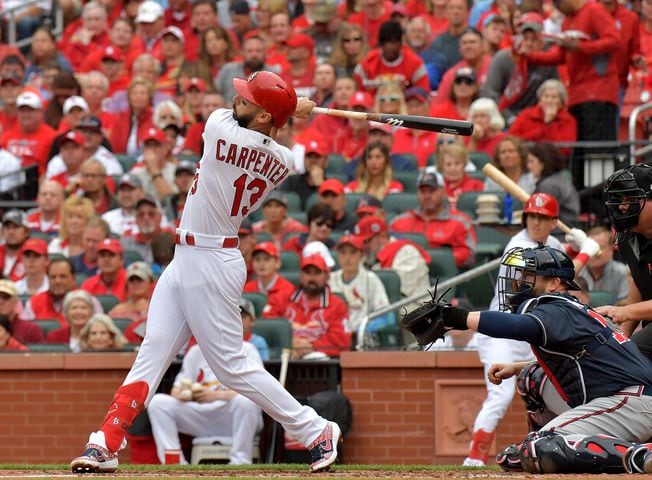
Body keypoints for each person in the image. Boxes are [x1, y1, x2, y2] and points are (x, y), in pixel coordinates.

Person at [70, 71, 342, 474]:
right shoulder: (282, 160)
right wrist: (288, 114)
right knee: (153, 351)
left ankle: (314, 428)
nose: (239, 100)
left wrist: (290, 109)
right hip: (189, 256)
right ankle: (106, 440)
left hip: (212, 260)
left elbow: (227, 116)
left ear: (265, 115)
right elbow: (268, 135)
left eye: (249, 99)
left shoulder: (222, 131)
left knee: (231, 366)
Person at [438, 244, 652, 474]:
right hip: (621, 397)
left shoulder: (556, 307)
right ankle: (547, 446)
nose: (520, 283)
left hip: (633, 402)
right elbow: (579, 362)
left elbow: (520, 327)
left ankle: (641, 456)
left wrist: (460, 318)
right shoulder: (566, 308)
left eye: (530, 276)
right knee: (531, 380)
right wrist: (518, 367)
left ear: (554, 283)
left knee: (539, 447)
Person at [463, 193, 600, 466]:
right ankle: (474, 459)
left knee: (551, 386)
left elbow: (561, 269)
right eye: (532, 217)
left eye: (542, 218)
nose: (535, 223)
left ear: (553, 222)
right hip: (503, 329)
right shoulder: (518, 246)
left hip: (533, 330)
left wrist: (574, 246)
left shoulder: (553, 243)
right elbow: (555, 279)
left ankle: (551, 446)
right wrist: (585, 251)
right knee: (500, 395)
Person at [147, 331, 264, 464]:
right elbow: (176, 390)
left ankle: (241, 460)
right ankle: (174, 462)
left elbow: (257, 390)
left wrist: (216, 395)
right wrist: (189, 394)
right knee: (158, 403)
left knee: (246, 401)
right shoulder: (195, 352)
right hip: (203, 416)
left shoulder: (247, 349)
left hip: (234, 416)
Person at [598, 164, 652, 359]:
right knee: (616, 350)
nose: (622, 206)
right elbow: (639, 281)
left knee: (636, 352)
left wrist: (626, 311)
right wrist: (624, 333)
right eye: (621, 199)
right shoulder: (628, 237)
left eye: (631, 199)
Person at [267, 254, 352, 359]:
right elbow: (267, 328)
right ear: (301, 275)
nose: (312, 278)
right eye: (307, 273)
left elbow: (342, 341)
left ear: (327, 276)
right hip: (284, 356)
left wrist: (312, 346)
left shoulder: (337, 305)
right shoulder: (282, 298)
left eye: (317, 273)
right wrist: (288, 343)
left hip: (320, 363)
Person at [391, 171, 477, 269]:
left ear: (444, 192)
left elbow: (469, 255)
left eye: (432, 191)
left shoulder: (460, 221)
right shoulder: (399, 221)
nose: (427, 196)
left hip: (444, 275)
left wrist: (439, 258)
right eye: (423, 191)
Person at [355, 215, 430, 307]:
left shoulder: (407, 252)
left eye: (366, 241)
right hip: (384, 307)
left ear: (382, 235)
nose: (364, 247)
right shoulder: (365, 259)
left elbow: (393, 290)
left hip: (416, 307)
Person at [329, 234, 392, 333]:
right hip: (334, 336)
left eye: (353, 253)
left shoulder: (371, 279)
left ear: (361, 255)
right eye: (343, 253)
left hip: (361, 337)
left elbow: (385, 316)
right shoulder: (330, 279)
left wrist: (364, 329)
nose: (347, 258)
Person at [353, 20, 430, 94]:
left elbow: (423, 93)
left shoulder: (414, 63)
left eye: (393, 42)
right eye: (385, 42)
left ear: (400, 43)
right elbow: (357, 92)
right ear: (380, 44)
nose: (389, 47)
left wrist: (407, 91)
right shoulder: (367, 62)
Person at [526, 142, 580, 231]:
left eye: (532, 161)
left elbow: (540, 217)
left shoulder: (548, 186)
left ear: (544, 162)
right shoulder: (559, 179)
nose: (529, 166)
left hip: (557, 234)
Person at [509, 79, 577, 144]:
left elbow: (565, 149)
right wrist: (540, 131)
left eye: (554, 97)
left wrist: (549, 123)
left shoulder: (568, 120)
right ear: (540, 100)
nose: (549, 101)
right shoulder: (526, 115)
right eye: (546, 96)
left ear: (561, 102)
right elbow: (512, 140)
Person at [243, 241, 295, 318]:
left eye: (267, 259)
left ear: (277, 263)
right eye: (257, 260)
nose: (261, 264)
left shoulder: (288, 289)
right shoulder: (247, 288)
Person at [579, 226, 629, 304]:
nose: (594, 252)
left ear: (611, 250)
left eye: (600, 247)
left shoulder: (623, 273)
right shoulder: (578, 272)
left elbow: (626, 306)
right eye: (590, 247)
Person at [24, 258, 81, 326]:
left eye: (63, 277)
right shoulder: (33, 303)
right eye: (53, 277)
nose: (57, 281)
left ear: (73, 278)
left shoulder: (87, 302)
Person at [111, 261, 155, 342]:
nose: (135, 283)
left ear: (150, 282)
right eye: (132, 280)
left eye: (140, 280)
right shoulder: (117, 309)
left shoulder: (156, 307)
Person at [121, 196, 170, 264]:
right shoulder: (126, 244)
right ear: (136, 220)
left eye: (151, 214)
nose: (146, 218)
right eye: (141, 215)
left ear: (160, 217)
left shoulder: (171, 241)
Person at [436, 142, 484, 209]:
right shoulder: (436, 188)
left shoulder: (476, 185)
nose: (453, 168)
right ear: (442, 166)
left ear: (464, 164)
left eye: (457, 163)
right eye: (448, 164)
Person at [0, 278, 44, 344]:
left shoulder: (31, 330)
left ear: (15, 301)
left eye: (6, 297)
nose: (1, 302)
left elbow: (42, 354)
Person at [0, 209, 29, 282]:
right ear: (2, 231)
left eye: (16, 227)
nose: (11, 232)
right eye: (7, 227)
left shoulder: (33, 255)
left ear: (26, 231)